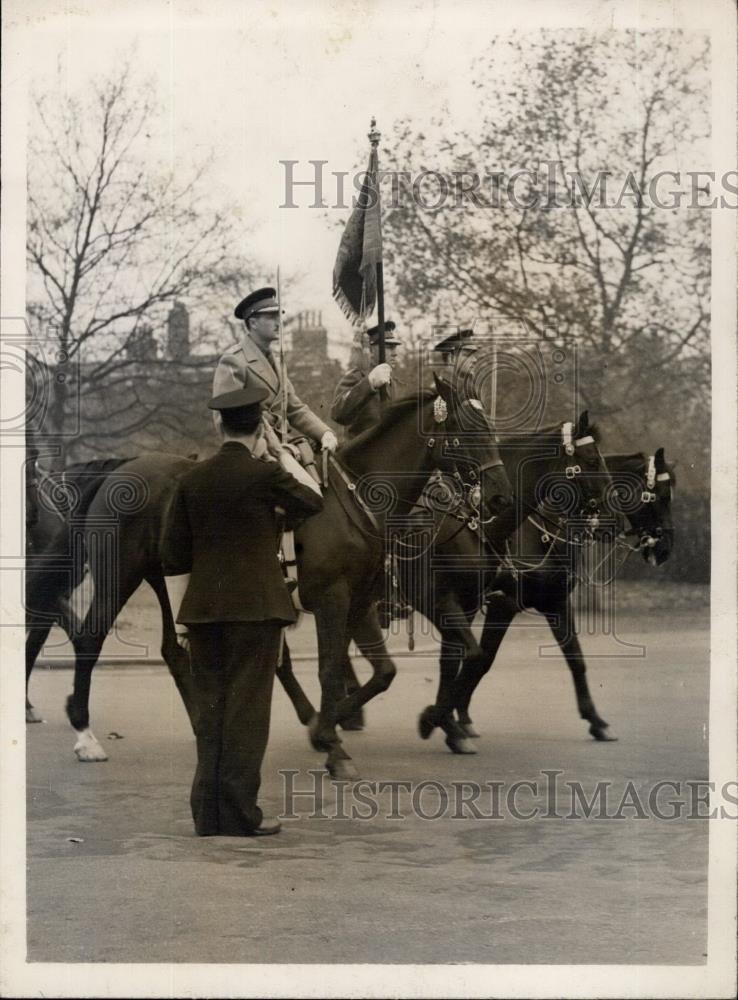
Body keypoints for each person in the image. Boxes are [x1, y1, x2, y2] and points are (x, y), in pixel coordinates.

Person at [161, 384, 324, 838]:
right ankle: (240, 814)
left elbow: (172, 554)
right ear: (260, 428)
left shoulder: (190, 480)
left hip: (202, 613)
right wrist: (282, 455)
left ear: (218, 424)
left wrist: (179, 621)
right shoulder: (265, 475)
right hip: (257, 609)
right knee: (248, 716)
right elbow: (314, 500)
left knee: (211, 712)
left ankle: (207, 815)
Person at [213, 287, 338, 465]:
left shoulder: (278, 362)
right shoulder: (234, 361)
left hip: (283, 448)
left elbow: (294, 408)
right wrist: (259, 451)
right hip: (254, 454)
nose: (279, 323)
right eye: (271, 318)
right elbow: (222, 418)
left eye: (278, 317)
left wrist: (324, 433)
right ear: (253, 323)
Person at [331, 321, 402, 439]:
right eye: (389, 347)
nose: (395, 354)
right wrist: (369, 384)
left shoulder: (394, 383)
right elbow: (338, 413)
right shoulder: (357, 377)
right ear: (372, 350)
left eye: (394, 348)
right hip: (360, 451)